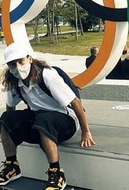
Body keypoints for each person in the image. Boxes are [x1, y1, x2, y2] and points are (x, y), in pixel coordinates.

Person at [0, 42, 95, 189]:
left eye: (21, 61)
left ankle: (56, 173)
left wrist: (86, 132)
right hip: (40, 121)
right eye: (13, 64)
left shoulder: (47, 75)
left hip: (66, 121)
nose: (18, 67)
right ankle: (12, 166)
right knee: (6, 118)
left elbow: (75, 103)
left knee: (43, 119)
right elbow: (10, 107)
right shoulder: (14, 81)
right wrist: (10, 130)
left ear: (29, 59)